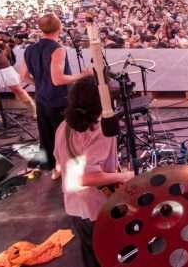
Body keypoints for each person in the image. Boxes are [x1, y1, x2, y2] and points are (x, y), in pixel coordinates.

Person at [54, 75, 134, 267]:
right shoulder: (100, 130)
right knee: (114, 256)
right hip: (97, 207)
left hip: (75, 205)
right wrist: (126, 176)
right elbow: (87, 177)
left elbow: (59, 164)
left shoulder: (64, 126)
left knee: (92, 257)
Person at [20, 14, 89, 176]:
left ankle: (54, 169)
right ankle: (66, 168)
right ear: (60, 28)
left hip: (41, 99)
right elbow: (58, 80)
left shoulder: (30, 49)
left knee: (47, 135)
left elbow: (22, 76)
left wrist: (41, 84)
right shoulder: (57, 49)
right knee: (64, 136)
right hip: (58, 99)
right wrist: (82, 75)